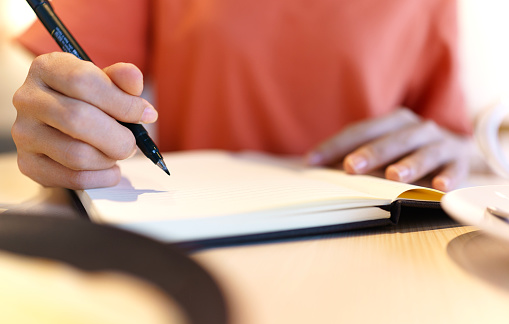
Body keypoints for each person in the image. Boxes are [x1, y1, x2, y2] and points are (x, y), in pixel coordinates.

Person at [12, 0, 472, 191]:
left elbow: (451, 134)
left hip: (381, 240)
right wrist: (47, 105)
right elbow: (38, 71)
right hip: (195, 230)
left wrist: (459, 152)